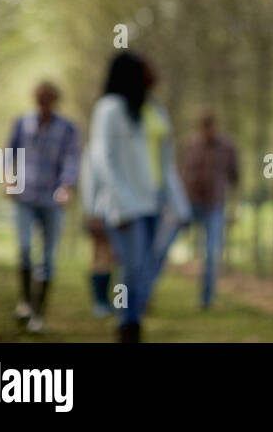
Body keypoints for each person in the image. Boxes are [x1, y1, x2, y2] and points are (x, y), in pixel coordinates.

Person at [88, 51, 191, 342]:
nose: (154, 72)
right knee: (132, 267)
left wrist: (180, 205)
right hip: (124, 207)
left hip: (153, 204)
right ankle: (128, 325)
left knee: (146, 267)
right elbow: (104, 159)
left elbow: (166, 164)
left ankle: (130, 321)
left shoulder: (154, 110)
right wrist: (121, 204)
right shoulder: (109, 108)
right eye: (146, 68)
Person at [5, 81, 80, 334]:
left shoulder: (68, 128)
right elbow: (9, 153)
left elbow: (72, 158)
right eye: (40, 99)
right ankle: (25, 302)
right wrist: (8, 177)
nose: (44, 104)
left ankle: (38, 314)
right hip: (25, 196)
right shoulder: (22, 123)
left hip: (52, 199)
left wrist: (66, 186)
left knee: (47, 258)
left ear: (55, 100)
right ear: (35, 99)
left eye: (48, 99)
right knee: (25, 249)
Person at [178, 108, 239, 309]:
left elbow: (235, 177)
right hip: (188, 204)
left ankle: (206, 300)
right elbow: (181, 172)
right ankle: (143, 295)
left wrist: (233, 208)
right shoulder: (190, 145)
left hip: (214, 205)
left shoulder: (227, 147)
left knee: (212, 253)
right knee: (161, 245)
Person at [77, 145, 116, 317]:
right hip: (101, 212)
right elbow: (89, 184)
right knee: (101, 258)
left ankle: (120, 303)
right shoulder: (94, 151)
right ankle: (100, 302)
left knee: (120, 262)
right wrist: (91, 212)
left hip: (128, 211)